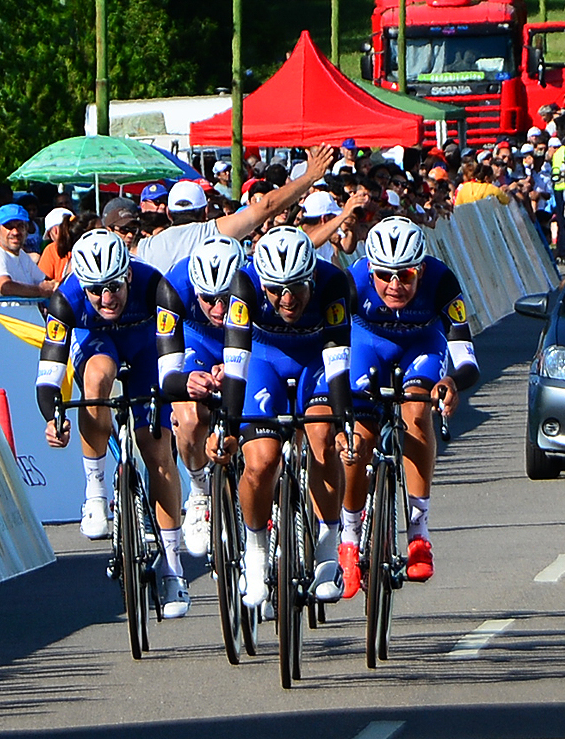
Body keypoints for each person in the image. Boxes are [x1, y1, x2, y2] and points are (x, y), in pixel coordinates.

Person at [36, 230, 191, 618]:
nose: (107, 299)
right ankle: (95, 489)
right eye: (96, 291)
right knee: (96, 379)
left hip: (146, 350)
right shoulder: (65, 301)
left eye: (116, 287)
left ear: (129, 275)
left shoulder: (158, 287)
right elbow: (48, 376)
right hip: (97, 345)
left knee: (157, 451)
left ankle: (173, 566)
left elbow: (171, 367)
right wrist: (53, 418)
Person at [212, 225, 355, 609]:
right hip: (262, 358)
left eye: (296, 288)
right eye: (275, 290)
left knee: (323, 439)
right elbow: (236, 362)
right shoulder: (244, 284)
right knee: (261, 462)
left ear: (311, 276)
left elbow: (339, 360)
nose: (287, 300)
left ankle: (327, 549)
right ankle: (255, 549)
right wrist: (227, 427)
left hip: (317, 357)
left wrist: (345, 424)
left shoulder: (332, 282)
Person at [333, 218, 478, 596]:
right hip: (367, 343)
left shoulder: (442, 281)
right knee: (357, 443)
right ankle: (348, 535)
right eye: (384, 276)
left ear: (422, 269)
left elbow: (464, 353)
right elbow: (330, 341)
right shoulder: (352, 281)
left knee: (416, 413)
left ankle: (418, 530)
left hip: (421, 345)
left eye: (407, 275)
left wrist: (451, 382)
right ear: (369, 268)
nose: (395, 286)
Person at [155, 235, 247, 558]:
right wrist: (187, 381)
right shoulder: (173, 288)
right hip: (198, 342)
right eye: (208, 299)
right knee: (191, 418)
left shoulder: (254, 280)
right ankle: (198, 490)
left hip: (248, 338)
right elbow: (168, 375)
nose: (219, 308)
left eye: (226, 298)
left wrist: (238, 369)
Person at [134, 145, 333, 274]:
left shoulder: (145, 248)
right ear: (205, 212)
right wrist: (310, 177)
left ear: (169, 213)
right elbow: (267, 206)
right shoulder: (213, 231)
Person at [0, 204, 56, 298]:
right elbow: (5, 287)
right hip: (3, 313)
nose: (15, 232)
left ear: (26, 230)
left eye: (20, 226)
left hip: (27, 312)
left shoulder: (23, 256)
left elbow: (45, 281)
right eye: (9, 226)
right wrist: (41, 291)